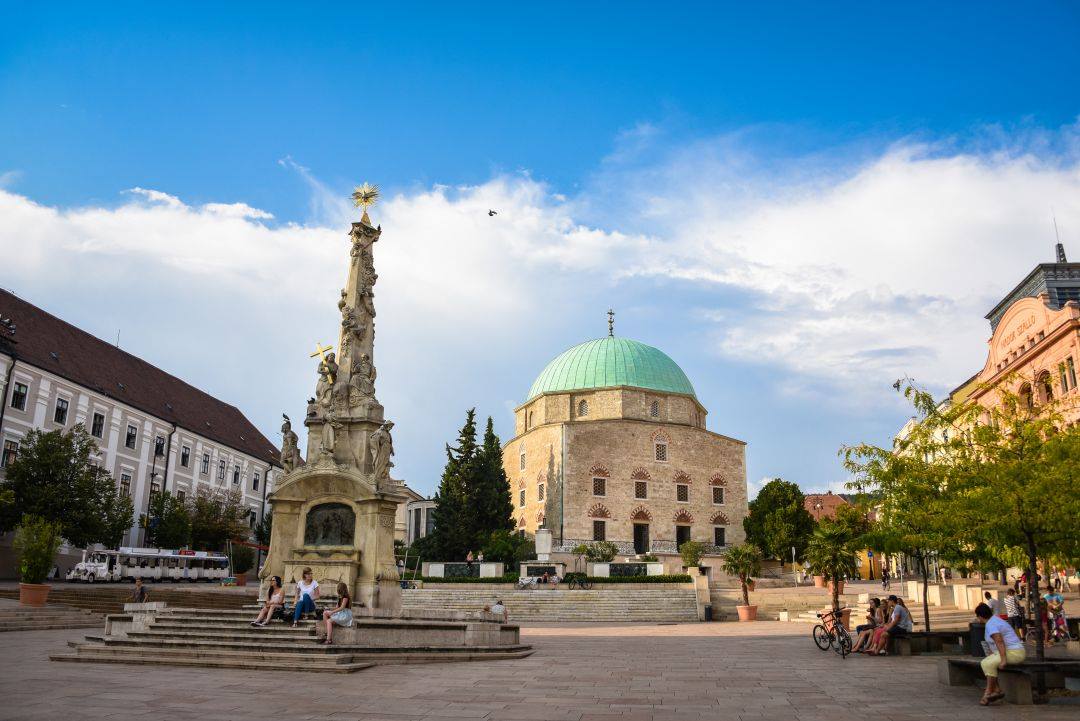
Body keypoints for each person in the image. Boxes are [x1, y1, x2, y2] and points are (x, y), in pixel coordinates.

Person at [974, 602, 1025, 706]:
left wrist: (1003, 659)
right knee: (985, 663)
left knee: (988, 664)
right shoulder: (994, 620)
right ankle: (997, 690)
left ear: (980, 616)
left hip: (1015, 653)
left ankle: (988, 692)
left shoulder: (991, 624)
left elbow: (999, 641)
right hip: (1011, 651)